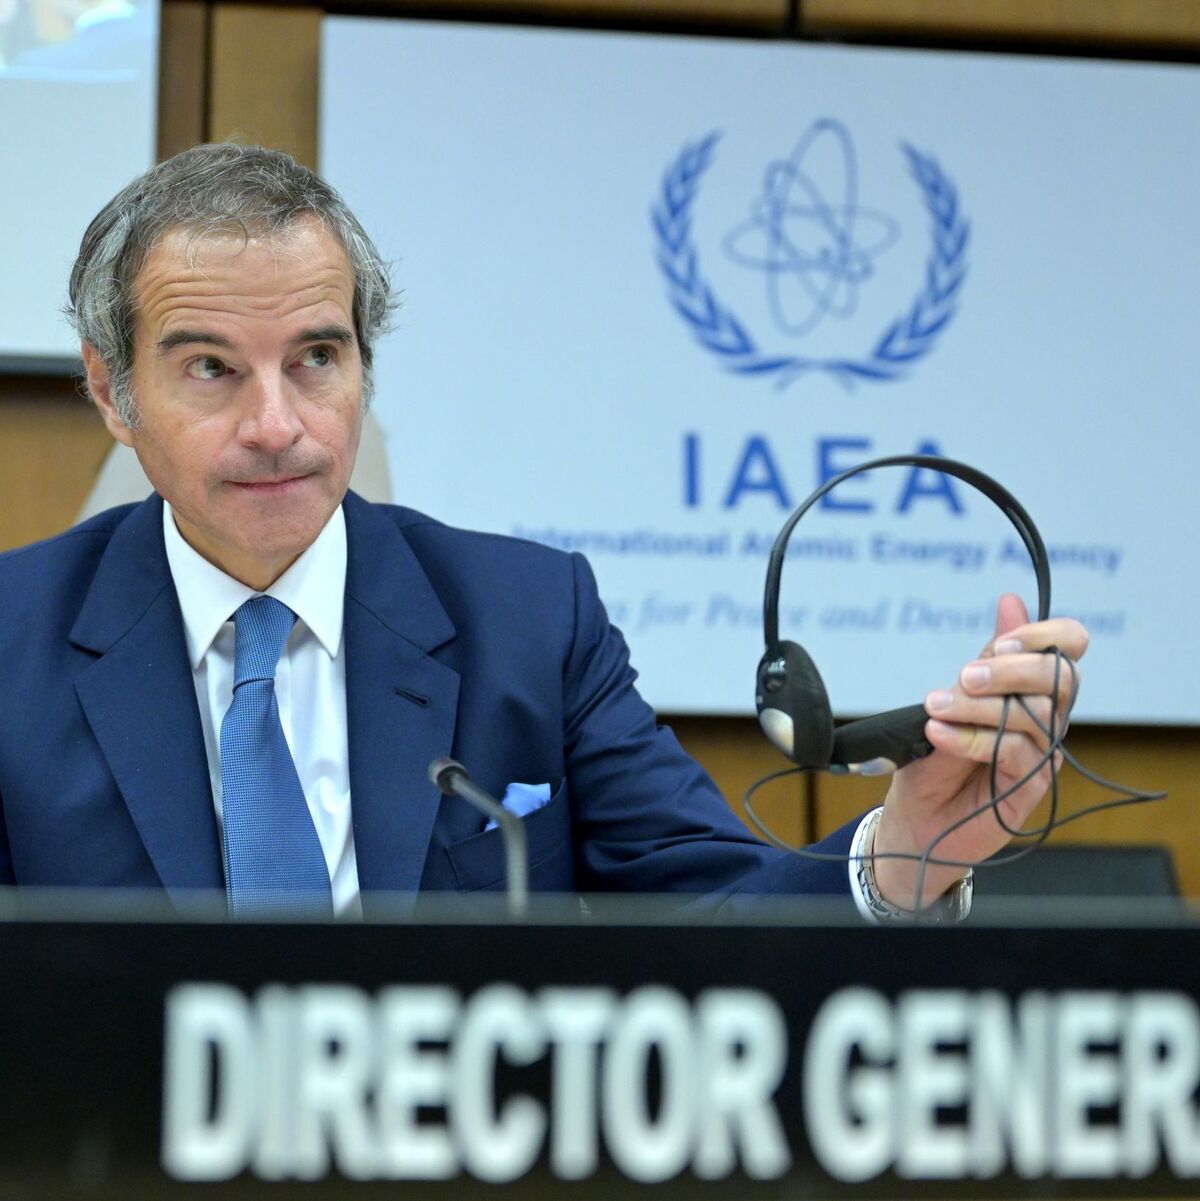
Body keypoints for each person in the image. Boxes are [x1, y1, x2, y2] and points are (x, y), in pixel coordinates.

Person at [0, 143, 1086, 918]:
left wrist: (907, 847)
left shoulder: (526, 619)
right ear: (111, 390)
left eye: (317, 359)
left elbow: (705, 902)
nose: (277, 424)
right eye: (211, 368)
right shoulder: (13, 644)